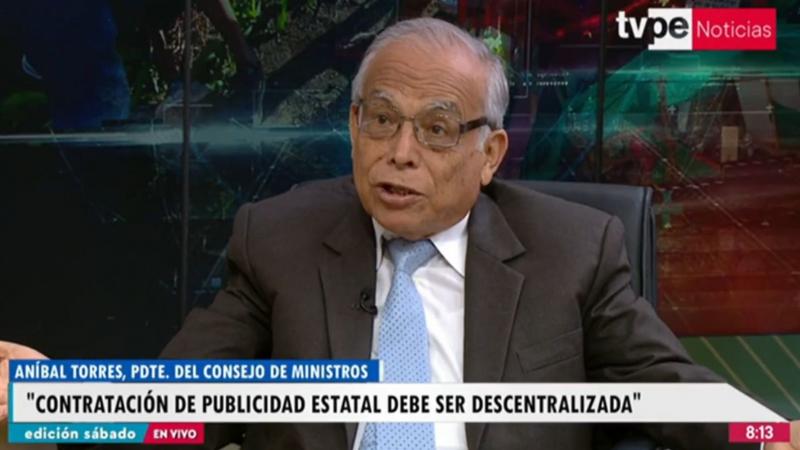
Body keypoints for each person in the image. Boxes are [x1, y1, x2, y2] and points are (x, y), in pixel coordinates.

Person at [1, 17, 798, 450]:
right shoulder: (277, 239)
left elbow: (667, 388)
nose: (400, 153)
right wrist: (56, 400)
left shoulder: (574, 250)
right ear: (353, 126)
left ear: (491, 154)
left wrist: (771, 434)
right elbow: (181, 400)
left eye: (437, 129)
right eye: (380, 120)